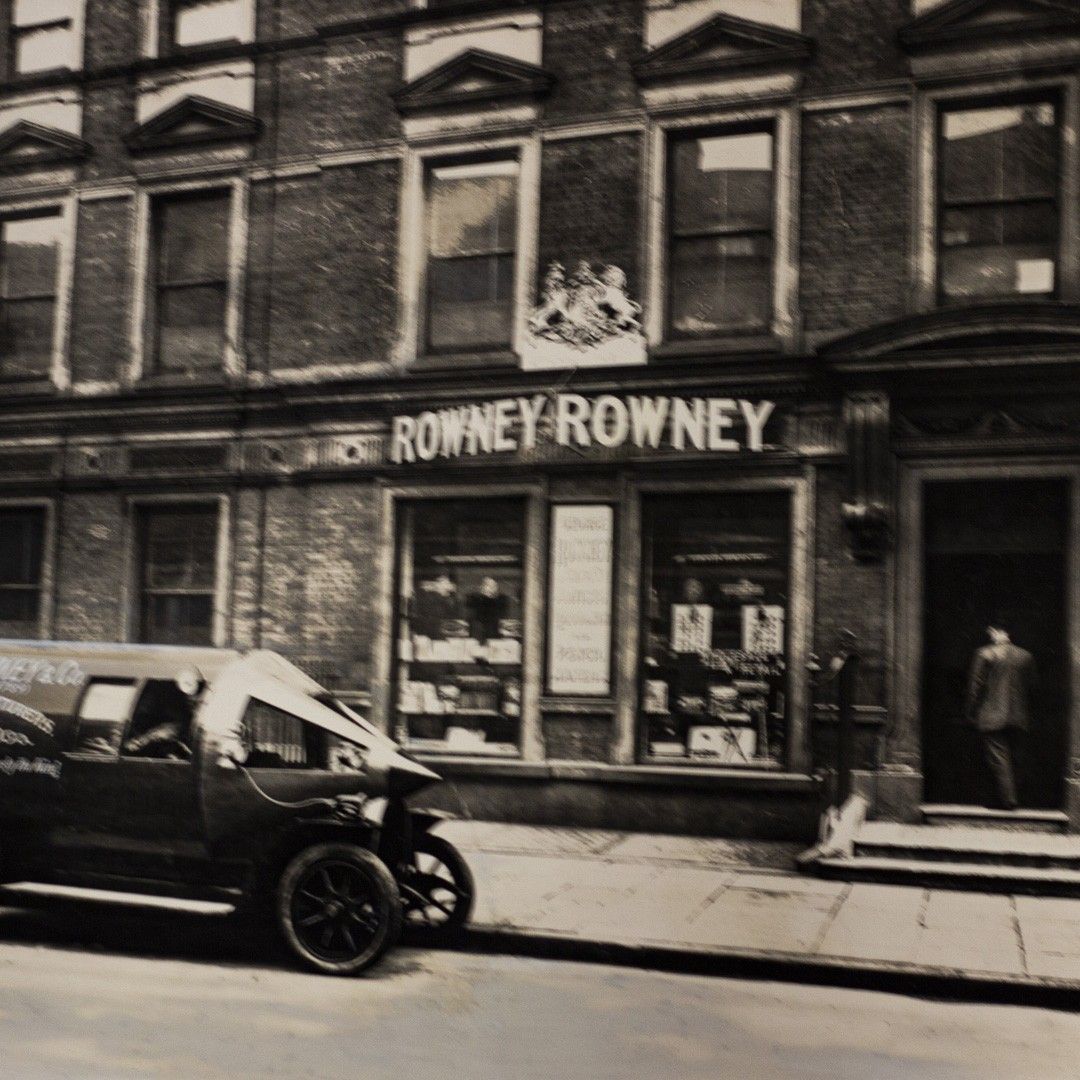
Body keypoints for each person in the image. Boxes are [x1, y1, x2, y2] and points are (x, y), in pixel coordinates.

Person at [965, 616, 1036, 810]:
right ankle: (1013, 797)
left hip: (991, 716)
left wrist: (971, 713)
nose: (990, 636)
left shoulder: (984, 654)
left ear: (996, 632)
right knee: (1015, 757)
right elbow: (1032, 688)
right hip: (1019, 716)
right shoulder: (1026, 656)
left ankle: (1008, 800)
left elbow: (975, 688)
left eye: (991, 632)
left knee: (998, 759)